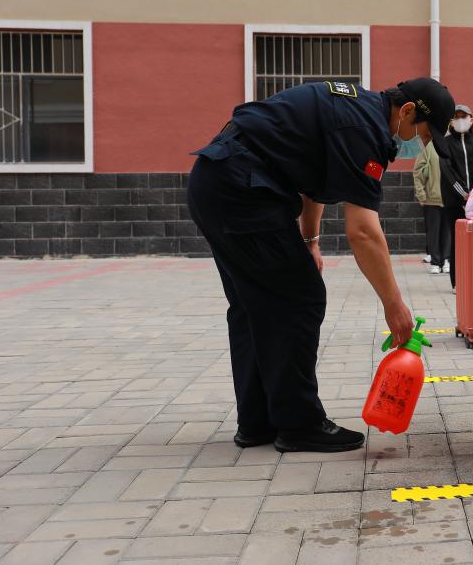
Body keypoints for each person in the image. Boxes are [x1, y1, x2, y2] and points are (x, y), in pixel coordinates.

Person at [187, 77, 454, 453]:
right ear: (407, 111)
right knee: (302, 299)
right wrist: (394, 305)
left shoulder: (356, 111)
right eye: (420, 135)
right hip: (242, 188)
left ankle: (258, 422)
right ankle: (299, 425)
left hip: (217, 182)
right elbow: (363, 232)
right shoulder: (366, 130)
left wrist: (309, 241)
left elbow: (313, 183)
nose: (416, 146)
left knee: (254, 305)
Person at [439, 104, 473, 292]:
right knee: (457, 241)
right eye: (456, 116)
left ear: (471, 119)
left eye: (464, 116)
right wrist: (464, 194)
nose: (460, 120)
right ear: (451, 121)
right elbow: (447, 171)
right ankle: (457, 281)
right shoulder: (445, 143)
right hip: (454, 202)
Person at [413, 139, 449, 274]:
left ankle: (445, 260)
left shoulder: (452, 143)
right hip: (431, 199)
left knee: (448, 232)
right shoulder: (428, 146)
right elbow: (417, 171)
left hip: (449, 199)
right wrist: (421, 194)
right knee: (433, 232)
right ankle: (435, 262)